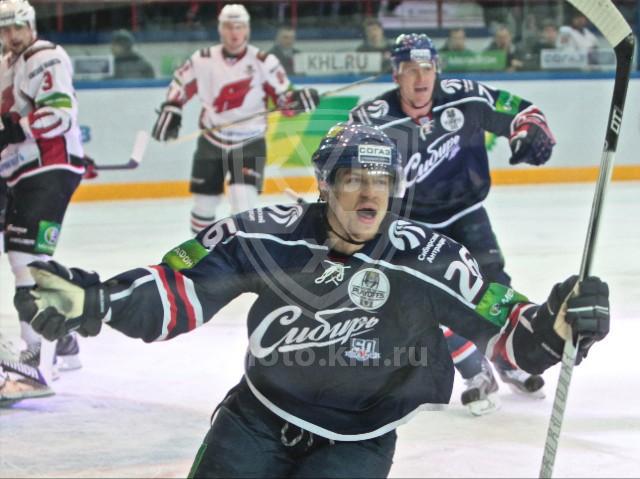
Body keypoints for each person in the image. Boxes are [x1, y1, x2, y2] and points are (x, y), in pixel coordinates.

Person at [20, 123, 608, 476]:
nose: (368, 192)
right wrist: (100, 300)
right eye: (353, 178)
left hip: (356, 445)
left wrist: (558, 323)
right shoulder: (265, 234)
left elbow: (511, 333)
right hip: (254, 423)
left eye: (381, 181)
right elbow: (181, 287)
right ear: (325, 184)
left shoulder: (426, 257)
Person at [349, 33, 557, 415]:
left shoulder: (465, 95)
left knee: (494, 286)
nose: (420, 77)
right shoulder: (371, 119)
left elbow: (521, 111)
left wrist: (531, 131)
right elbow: (342, 164)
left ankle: (506, 358)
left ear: (437, 70)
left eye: (426, 68)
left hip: (465, 212)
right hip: (413, 225)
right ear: (396, 74)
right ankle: (474, 369)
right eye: (410, 69)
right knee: (432, 298)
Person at [151, 4, 319, 235]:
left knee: (244, 202)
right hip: (212, 139)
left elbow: (285, 100)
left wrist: (299, 100)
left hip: (250, 142)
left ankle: (240, 256)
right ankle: (200, 257)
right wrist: (173, 106)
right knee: (204, 203)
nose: (234, 32)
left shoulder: (264, 62)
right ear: (221, 29)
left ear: (247, 30)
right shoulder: (202, 59)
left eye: (239, 27)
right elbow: (180, 84)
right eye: (229, 26)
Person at [0, 0, 84, 404]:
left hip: (46, 169)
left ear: (30, 25)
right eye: (5, 29)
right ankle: (62, 342)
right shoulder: (7, 62)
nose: (12, 35)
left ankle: (38, 366)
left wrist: (13, 130)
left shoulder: (44, 55)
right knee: (24, 261)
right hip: (22, 172)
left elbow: (59, 113)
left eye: (17, 27)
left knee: (28, 264)